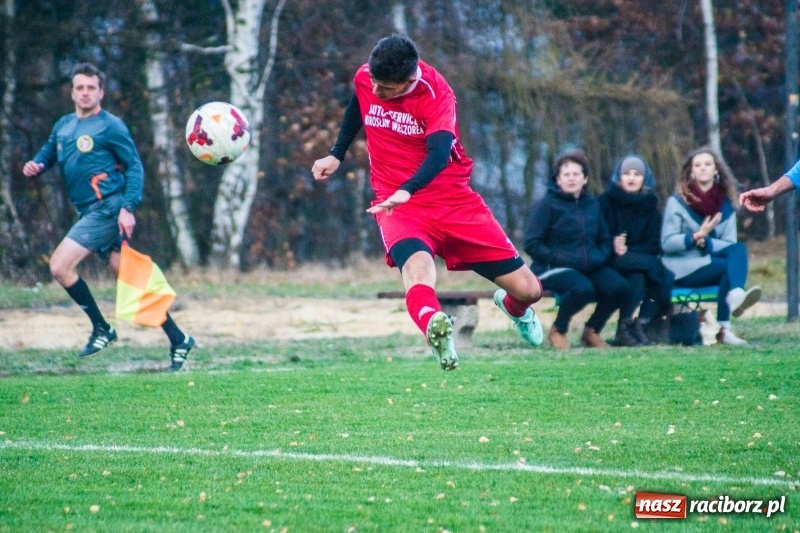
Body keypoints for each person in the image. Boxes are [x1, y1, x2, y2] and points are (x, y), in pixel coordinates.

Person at [311, 35, 544, 370]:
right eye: (374, 83)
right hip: (397, 205)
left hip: (453, 202)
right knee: (418, 270)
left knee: (529, 290)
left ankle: (514, 308)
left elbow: (437, 155)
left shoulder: (437, 95)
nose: (376, 92)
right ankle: (436, 329)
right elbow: (358, 107)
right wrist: (336, 154)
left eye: (386, 88)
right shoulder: (367, 78)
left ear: (409, 80)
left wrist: (410, 187)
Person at [22, 62, 194, 370]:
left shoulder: (110, 126)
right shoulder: (63, 125)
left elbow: (135, 167)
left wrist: (128, 207)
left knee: (60, 266)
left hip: (107, 210)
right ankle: (179, 339)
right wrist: (36, 164)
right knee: (129, 276)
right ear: (72, 92)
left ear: (101, 92)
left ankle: (102, 328)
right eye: (79, 88)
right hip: (89, 211)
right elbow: (49, 152)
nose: (85, 93)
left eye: (91, 88)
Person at [524, 150, 630, 350]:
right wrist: (557, 257)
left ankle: (591, 331)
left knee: (620, 288)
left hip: (588, 266)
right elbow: (532, 243)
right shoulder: (546, 205)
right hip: (551, 268)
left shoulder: (592, 205)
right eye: (566, 174)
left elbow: (605, 239)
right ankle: (558, 330)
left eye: (576, 174)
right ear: (558, 179)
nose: (571, 178)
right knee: (583, 288)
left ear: (585, 178)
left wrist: (597, 257)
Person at [661, 146, 761, 345]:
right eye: (697, 165)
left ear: (716, 170)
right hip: (682, 268)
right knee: (730, 266)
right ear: (691, 171)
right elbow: (667, 243)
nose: (703, 168)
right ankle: (736, 295)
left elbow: (728, 246)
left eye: (708, 164)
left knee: (737, 252)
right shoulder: (677, 202)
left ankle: (725, 327)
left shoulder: (725, 205)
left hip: (709, 261)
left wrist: (706, 242)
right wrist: (695, 237)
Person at [599, 155, 675, 346]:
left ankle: (629, 329)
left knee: (639, 276)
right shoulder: (605, 203)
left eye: (637, 174)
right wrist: (613, 242)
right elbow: (596, 233)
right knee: (660, 271)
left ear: (644, 179)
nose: (632, 178)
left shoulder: (650, 207)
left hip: (638, 262)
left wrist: (629, 249)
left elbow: (654, 244)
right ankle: (653, 314)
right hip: (610, 259)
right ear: (619, 178)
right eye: (626, 173)